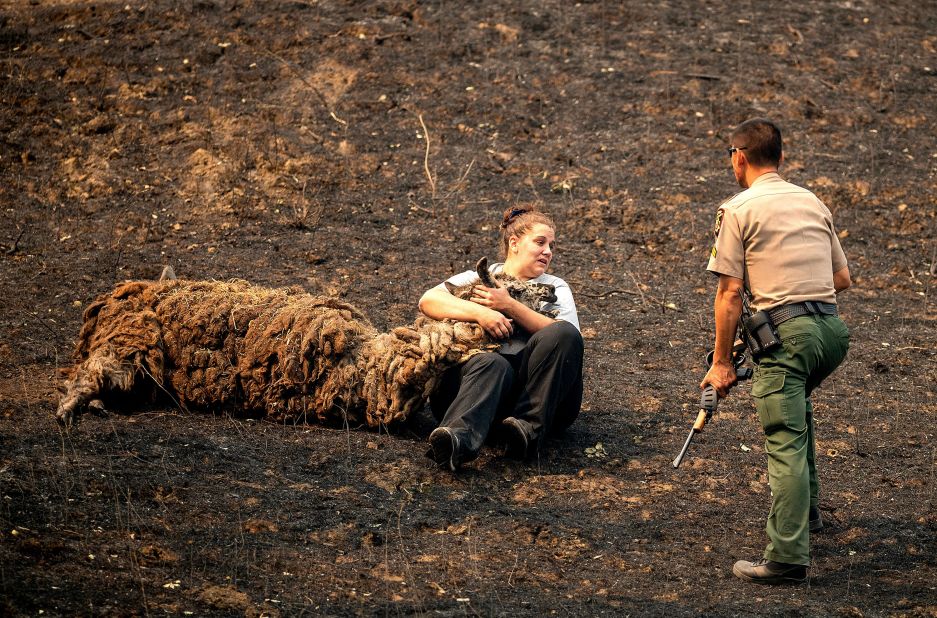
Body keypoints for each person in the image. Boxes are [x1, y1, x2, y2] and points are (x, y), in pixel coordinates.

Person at [702, 118, 851, 584]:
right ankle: (806, 517)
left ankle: (787, 558)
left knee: (784, 437)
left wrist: (722, 361)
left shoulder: (738, 208)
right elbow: (841, 279)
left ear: (738, 158)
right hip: (831, 334)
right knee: (796, 407)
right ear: (781, 158)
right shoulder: (812, 200)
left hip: (789, 339)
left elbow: (729, 292)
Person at [419, 205, 584, 471]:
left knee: (562, 333)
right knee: (491, 363)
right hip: (477, 390)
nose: (548, 251)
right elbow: (428, 300)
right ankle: (457, 440)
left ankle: (526, 431)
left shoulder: (556, 287)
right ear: (514, 243)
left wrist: (509, 306)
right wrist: (481, 314)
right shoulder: (479, 276)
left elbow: (567, 336)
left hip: (532, 399)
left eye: (552, 245)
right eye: (540, 242)